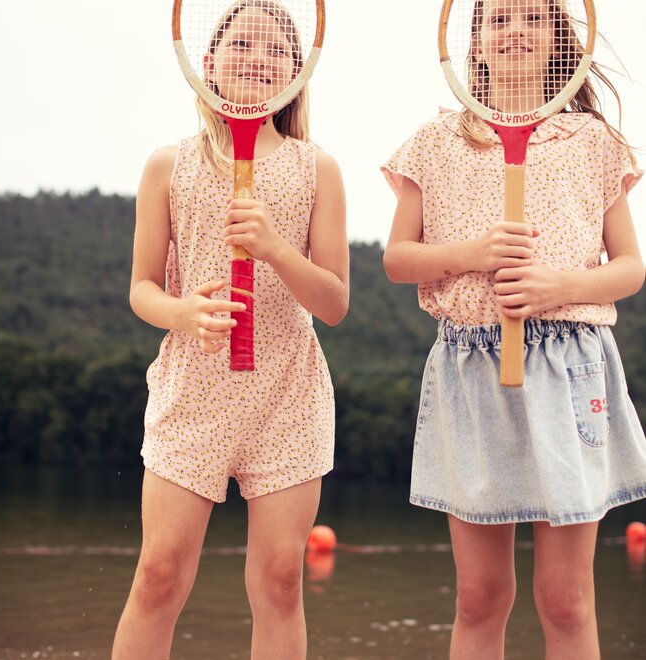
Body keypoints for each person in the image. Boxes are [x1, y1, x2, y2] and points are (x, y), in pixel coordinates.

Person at [382, 1, 645, 658]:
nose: (516, 29)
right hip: (470, 367)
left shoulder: (596, 142)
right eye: (499, 17)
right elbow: (397, 258)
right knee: (479, 595)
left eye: (534, 17)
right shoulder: (433, 141)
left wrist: (560, 286)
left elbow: (630, 268)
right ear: (474, 45)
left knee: (565, 597)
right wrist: (471, 253)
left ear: (562, 41)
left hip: (569, 366)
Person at [112, 2, 348, 658]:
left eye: (275, 50)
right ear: (207, 64)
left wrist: (275, 248)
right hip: (193, 393)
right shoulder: (167, 164)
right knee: (158, 574)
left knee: (278, 582)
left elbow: (333, 303)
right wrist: (183, 312)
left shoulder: (316, 168)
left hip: (286, 397)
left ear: (296, 76)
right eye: (241, 43)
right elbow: (142, 289)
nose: (256, 58)